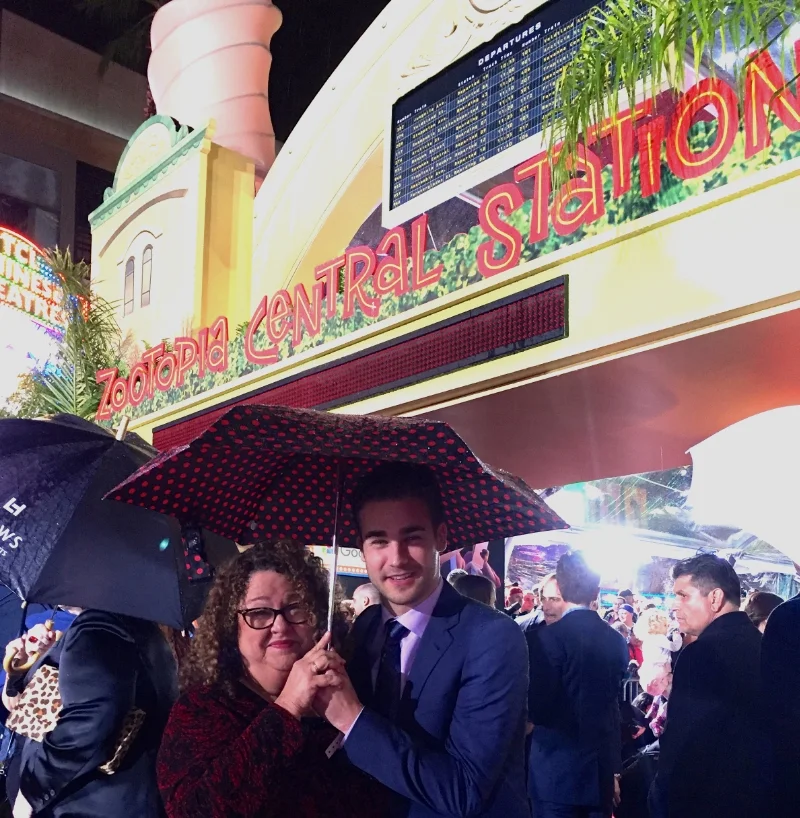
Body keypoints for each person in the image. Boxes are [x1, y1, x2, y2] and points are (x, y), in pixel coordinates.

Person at [315, 462, 531, 818]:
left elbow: (464, 792)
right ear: (362, 548)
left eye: (412, 537)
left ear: (441, 538)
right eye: (379, 540)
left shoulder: (491, 638)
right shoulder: (367, 625)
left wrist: (352, 718)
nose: (396, 558)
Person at [157, 541, 385, 818]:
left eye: (296, 608)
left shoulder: (348, 693)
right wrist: (288, 707)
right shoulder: (202, 710)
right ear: (231, 625)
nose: (280, 625)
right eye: (259, 613)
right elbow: (194, 812)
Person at [7, 607, 178, 818]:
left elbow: (90, 717)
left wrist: (31, 790)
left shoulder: (100, 626)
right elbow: (24, 704)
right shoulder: (131, 622)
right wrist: (24, 664)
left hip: (90, 805)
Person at [649, 554, 766, 818]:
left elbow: (683, 745)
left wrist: (661, 802)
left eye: (683, 596)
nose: (674, 606)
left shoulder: (703, 653)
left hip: (705, 801)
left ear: (714, 598)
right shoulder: (763, 646)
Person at [527, 552, 628, 818]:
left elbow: (537, 708)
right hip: (599, 771)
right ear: (596, 591)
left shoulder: (545, 639)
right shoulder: (616, 640)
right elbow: (612, 707)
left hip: (554, 772)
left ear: (561, 588)